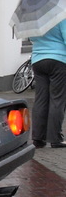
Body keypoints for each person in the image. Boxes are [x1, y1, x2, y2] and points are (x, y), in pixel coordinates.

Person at [29, 19, 66, 148]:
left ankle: (38, 139)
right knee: (57, 100)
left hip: (38, 61)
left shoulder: (35, 19)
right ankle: (55, 139)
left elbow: (31, 38)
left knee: (40, 100)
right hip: (58, 60)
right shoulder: (61, 17)